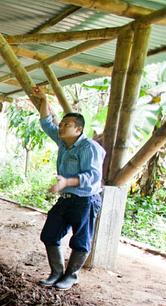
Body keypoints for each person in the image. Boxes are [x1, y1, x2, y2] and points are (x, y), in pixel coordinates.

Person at [31, 86, 105, 291]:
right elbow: (47, 123)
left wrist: (66, 182)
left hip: (85, 200)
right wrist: (44, 99)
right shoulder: (64, 142)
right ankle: (56, 272)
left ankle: (71, 276)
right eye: (62, 123)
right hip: (66, 199)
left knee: (80, 240)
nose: (61, 127)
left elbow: (93, 177)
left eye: (66, 124)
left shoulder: (90, 148)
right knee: (49, 234)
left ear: (78, 129)